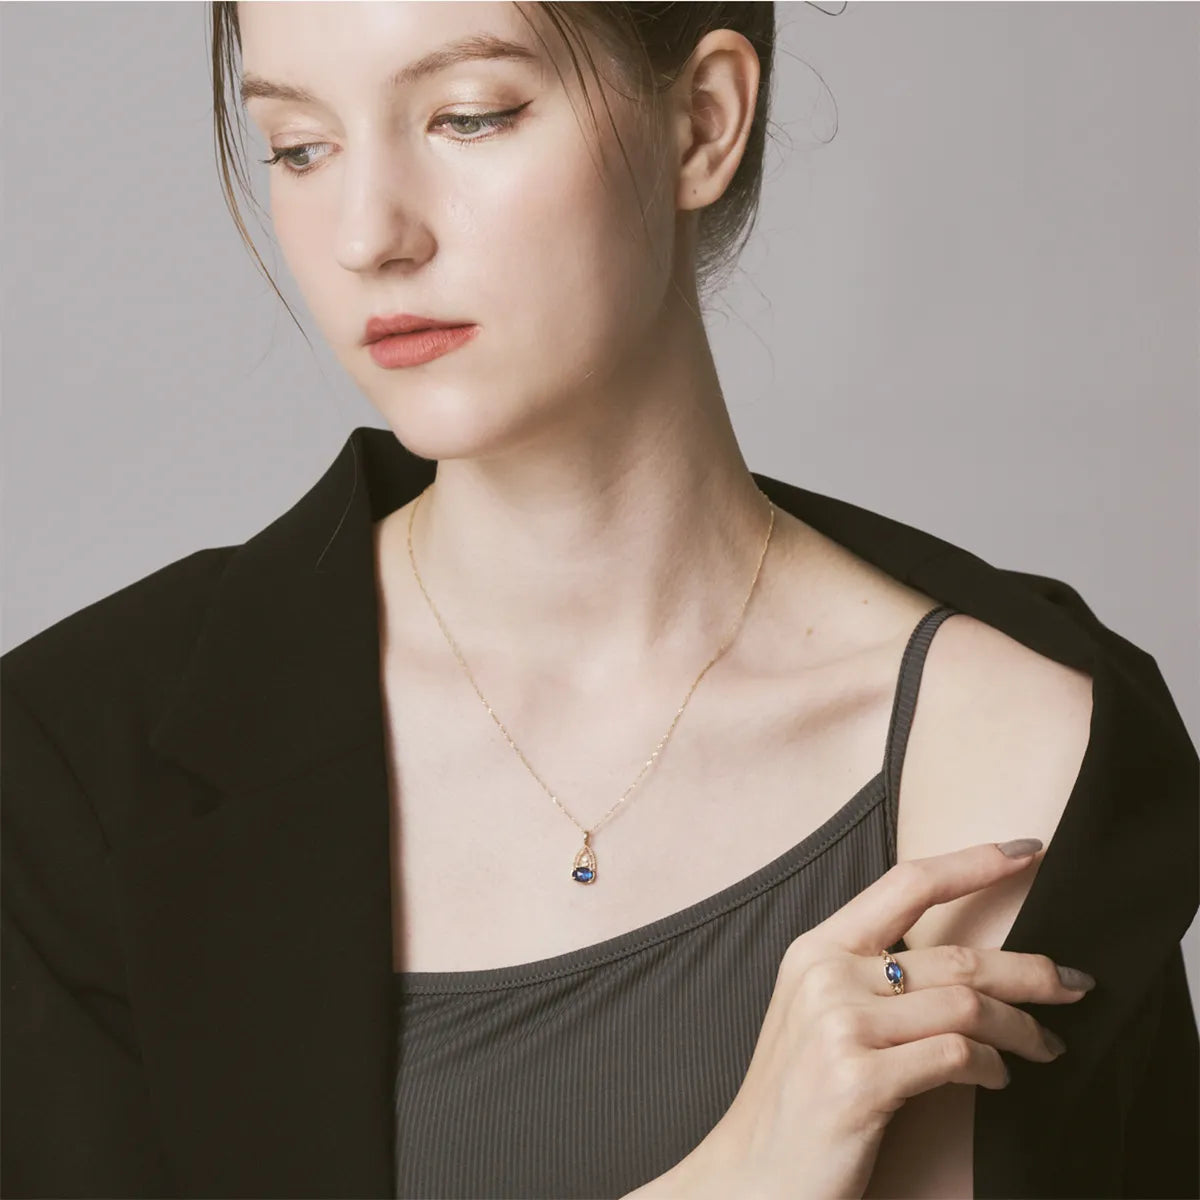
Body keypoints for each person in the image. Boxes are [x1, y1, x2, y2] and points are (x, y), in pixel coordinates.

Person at [2, 3, 1196, 1198]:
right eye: (301, 147)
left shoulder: (1016, 744)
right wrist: (736, 1174)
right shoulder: (74, 762)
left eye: (470, 117)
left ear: (704, 123)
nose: (369, 235)